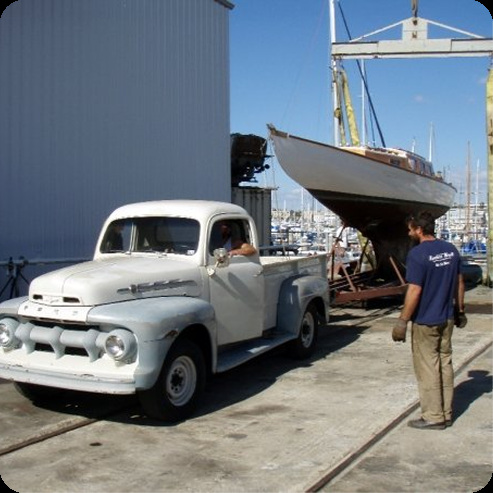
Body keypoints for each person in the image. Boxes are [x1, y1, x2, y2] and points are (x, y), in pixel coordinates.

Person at [392, 211, 466, 430]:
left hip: (426, 320)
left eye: (410, 229)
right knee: (445, 363)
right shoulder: (451, 250)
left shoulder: (418, 254)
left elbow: (415, 289)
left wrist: (402, 321)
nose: (408, 232)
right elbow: (459, 282)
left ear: (419, 230)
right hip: (447, 317)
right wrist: (460, 310)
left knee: (428, 368)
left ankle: (433, 416)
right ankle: (446, 412)